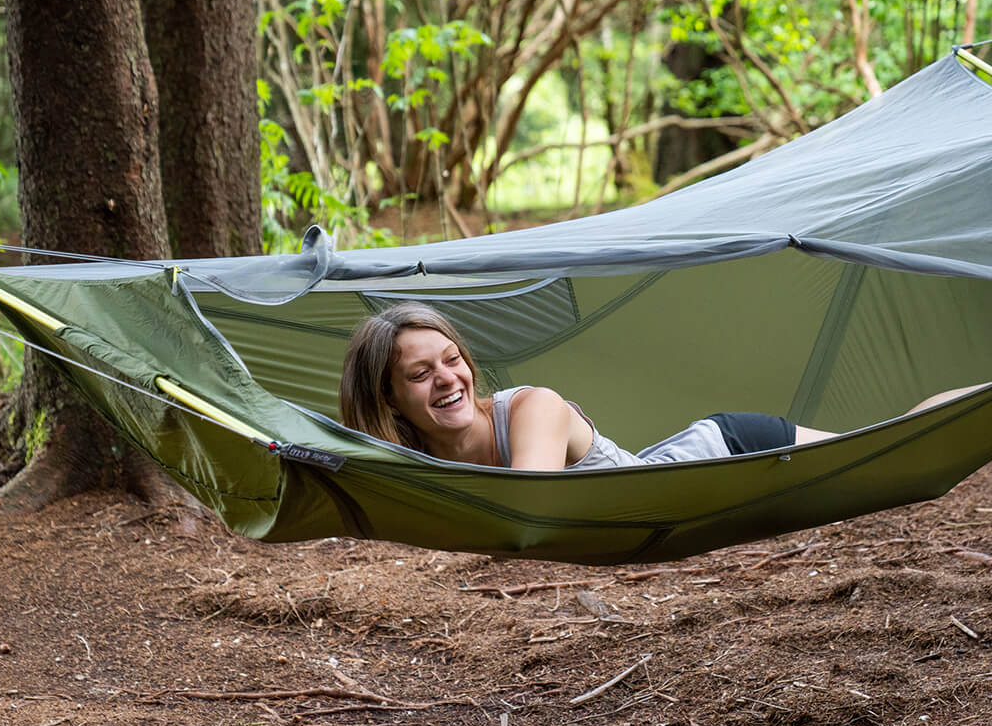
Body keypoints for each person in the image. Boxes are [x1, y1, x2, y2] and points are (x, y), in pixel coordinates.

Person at [339, 302, 984, 471]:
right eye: (421, 374)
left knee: (892, 451)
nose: (448, 379)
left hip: (729, 452)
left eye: (453, 360)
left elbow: (529, 507)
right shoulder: (414, 458)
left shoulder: (535, 408)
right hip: (687, 477)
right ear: (390, 398)